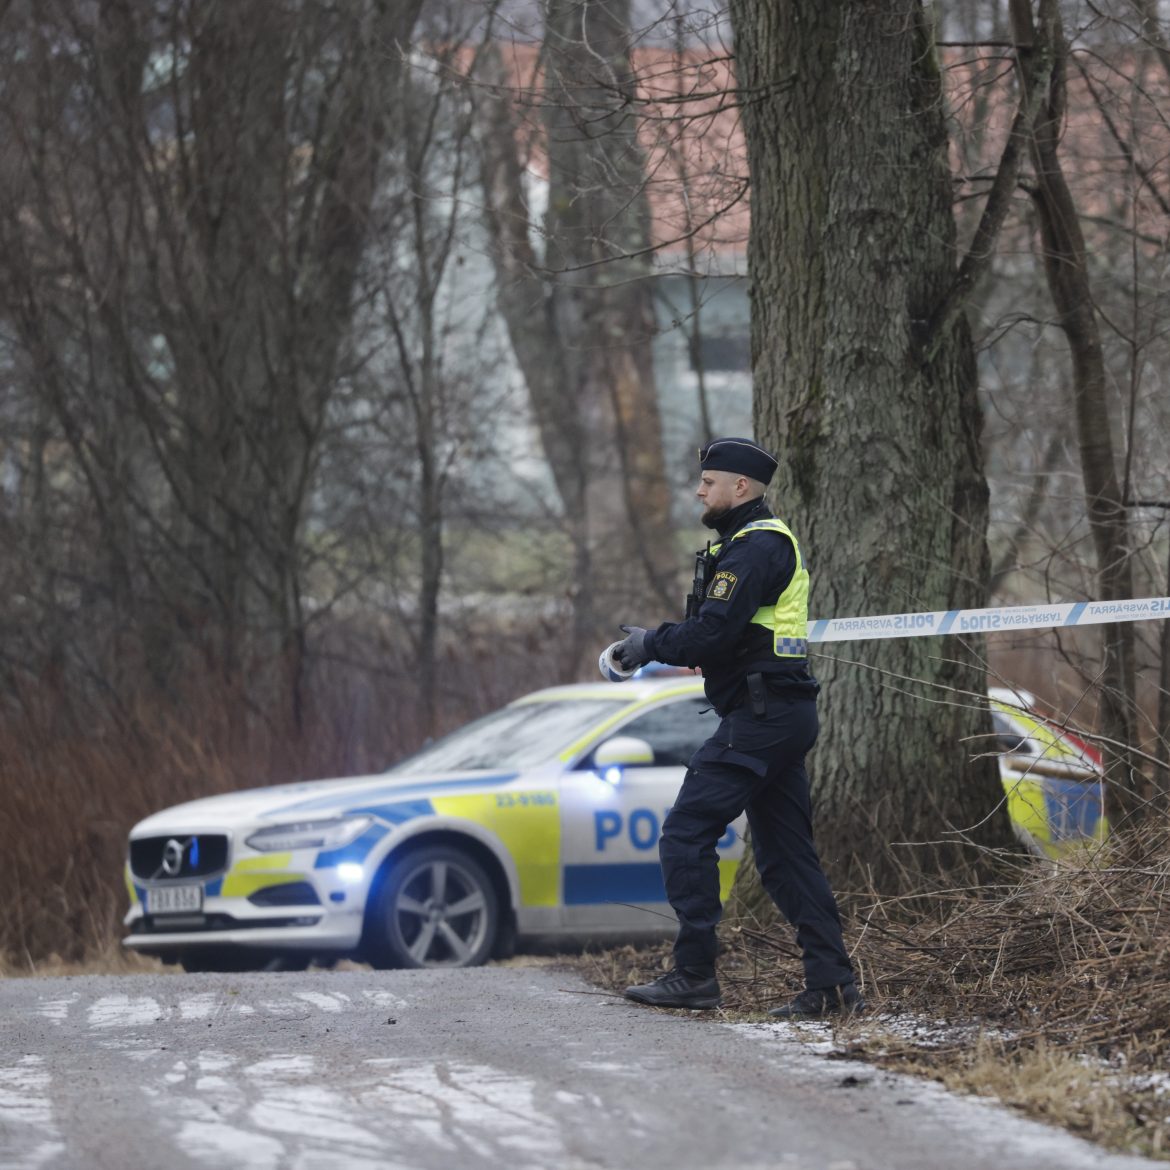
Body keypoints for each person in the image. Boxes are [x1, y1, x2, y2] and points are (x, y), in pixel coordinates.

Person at [613, 436, 862, 1018]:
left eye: (708, 482)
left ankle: (695, 974)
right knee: (785, 857)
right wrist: (660, 641)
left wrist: (649, 643)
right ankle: (832, 986)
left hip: (763, 716)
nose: (699, 490)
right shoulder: (746, 545)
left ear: (740, 487)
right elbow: (723, 633)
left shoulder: (756, 548)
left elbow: (713, 635)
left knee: (686, 831)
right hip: (773, 712)